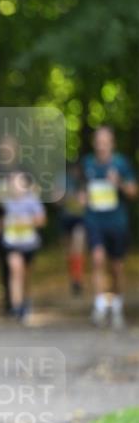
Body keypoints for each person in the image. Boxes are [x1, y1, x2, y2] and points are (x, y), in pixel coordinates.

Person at [81, 126, 137, 329]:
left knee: (116, 267)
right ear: (94, 143)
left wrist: (119, 183)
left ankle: (117, 307)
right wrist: (82, 197)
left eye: (105, 141)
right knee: (97, 259)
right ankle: (99, 307)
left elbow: (133, 192)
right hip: (94, 220)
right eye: (98, 141)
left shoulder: (121, 164)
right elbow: (84, 191)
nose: (101, 145)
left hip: (117, 223)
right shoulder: (87, 163)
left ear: (112, 143)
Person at [0, 171, 46, 323]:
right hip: (12, 243)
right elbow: (5, 217)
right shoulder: (7, 202)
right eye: (11, 183)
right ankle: (17, 306)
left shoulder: (32, 201)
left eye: (17, 182)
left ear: (25, 185)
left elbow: (41, 221)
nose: (14, 185)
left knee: (25, 275)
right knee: (15, 269)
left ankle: (26, 301)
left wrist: (26, 220)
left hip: (28, 243)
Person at [60, 162, 86, 295]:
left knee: (78, 248)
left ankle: (78, 279)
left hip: (79, 220)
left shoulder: (84, 181)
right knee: (70, 252)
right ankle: (73, 277)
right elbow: (56, 199)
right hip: (66, 219)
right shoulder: (63, 180)